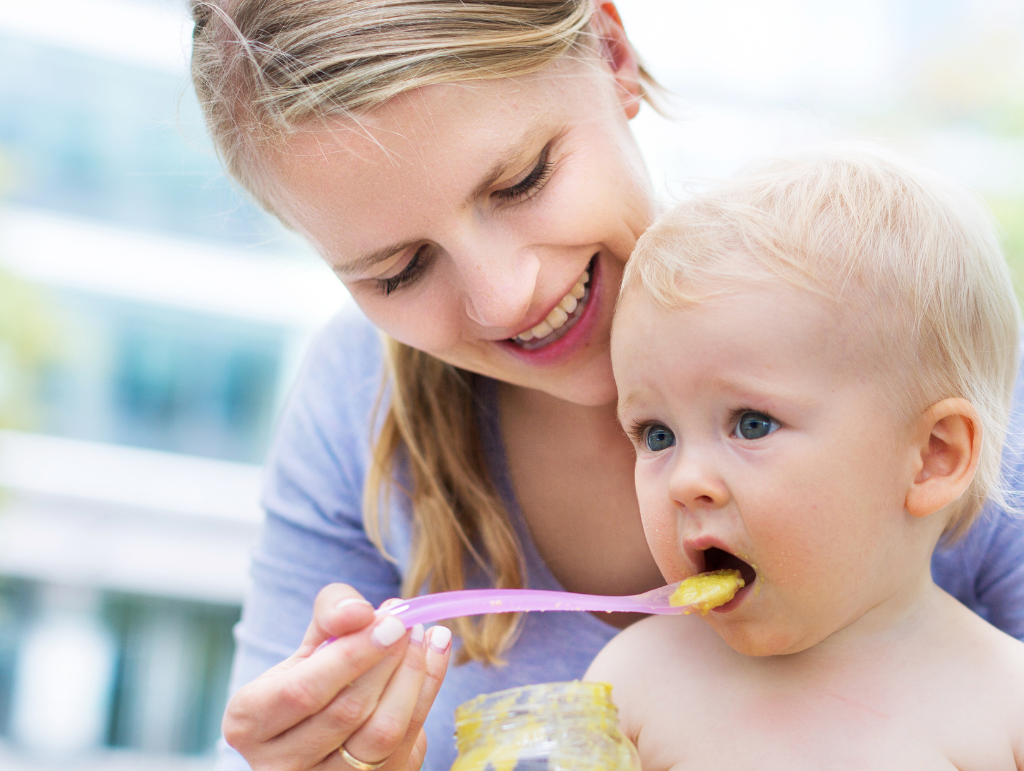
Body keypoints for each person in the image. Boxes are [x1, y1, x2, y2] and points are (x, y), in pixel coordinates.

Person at [186, 3, 1024, 770]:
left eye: (521, 181)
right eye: (399, 271)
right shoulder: (356, 403)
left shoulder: (897, 332)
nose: (503, 297)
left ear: (612, 51)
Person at [588, 149, 1024, 767]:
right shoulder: (630, 686)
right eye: (657, 436)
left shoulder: (1005, 707)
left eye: (751, 424)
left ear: (931, 457)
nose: (685, 481)